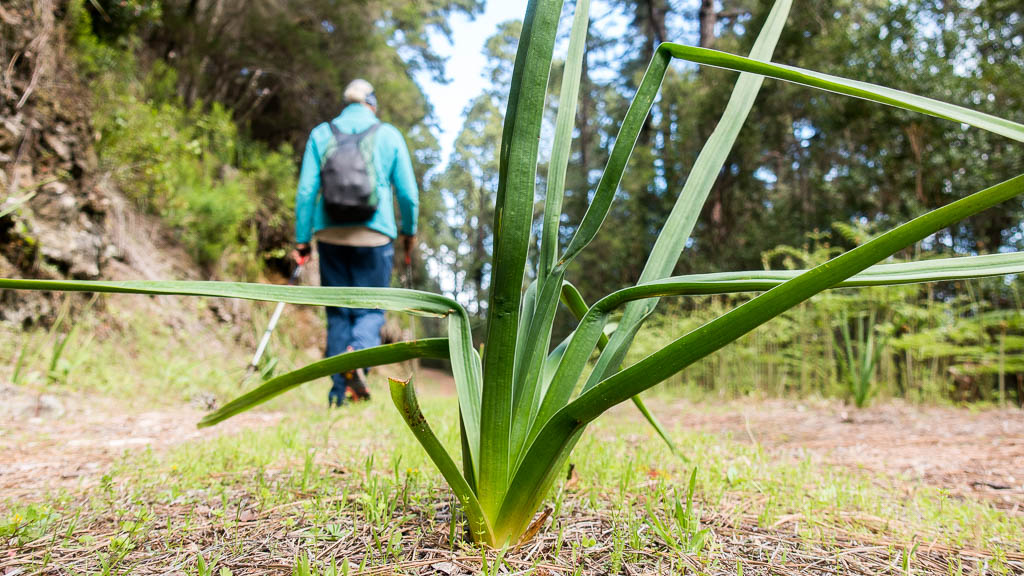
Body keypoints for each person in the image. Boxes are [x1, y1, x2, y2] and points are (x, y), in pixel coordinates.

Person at [292, 79, 418, 407]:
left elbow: (306, 191)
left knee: (338, 314)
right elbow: (407, 193)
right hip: (375, 236)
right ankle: (356, 358)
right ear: (371, 104)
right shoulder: (388, 134)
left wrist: (302, 240)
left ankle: (339, 395)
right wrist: (410, 233)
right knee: (370, 309)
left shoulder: (321, 134)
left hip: (331, 234)